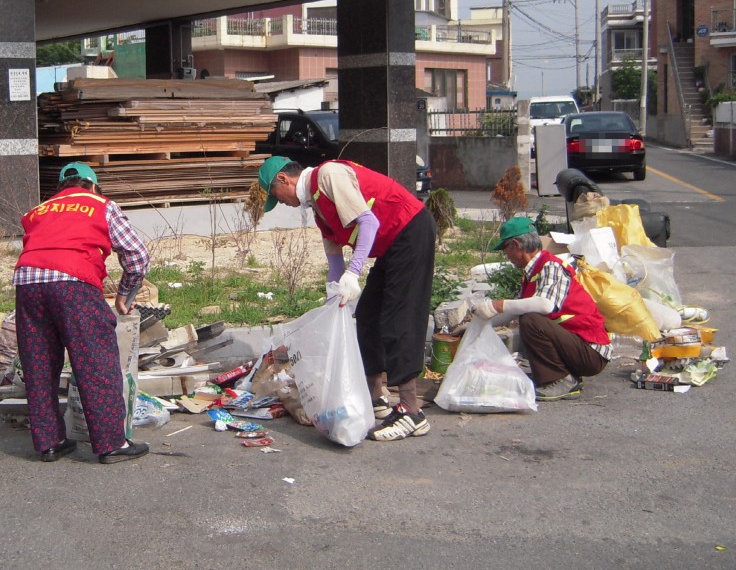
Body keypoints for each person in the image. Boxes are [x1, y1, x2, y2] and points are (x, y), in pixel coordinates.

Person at [257, 155, 436, 442]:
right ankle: (377, 397)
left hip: (410, 230)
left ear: (283, 179)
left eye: (276, 196)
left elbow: (368, 223)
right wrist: (334, 298)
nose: (281, 203)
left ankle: (411, 411)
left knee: (398, 319)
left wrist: (354, 273)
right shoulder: (318, 209)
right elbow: (334, 262)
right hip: (392, 243)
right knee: (367, 315)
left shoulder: (328, 176)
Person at [13, 162, 151, 464]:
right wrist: (126, 293)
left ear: (61, 188)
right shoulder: (101, 204)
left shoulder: (39, 210)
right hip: (73, 284)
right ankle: (111, 443)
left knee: (38, 364)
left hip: (27, 284)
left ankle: (49, 442)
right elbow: (138, 255)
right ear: (91, 186)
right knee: (94, 361)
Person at [470, 216, 612, 401]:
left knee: (531, 320)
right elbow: (514, 310)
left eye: (506, 250)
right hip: (578, 347)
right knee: (528, 316)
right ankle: (563, 375)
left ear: (516, 244)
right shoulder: (533, 272)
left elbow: (545, 305)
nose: (507, 256)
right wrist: (478, 323)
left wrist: (497, 305)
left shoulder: (550, 266)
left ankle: (561, 380)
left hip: (591, 352)